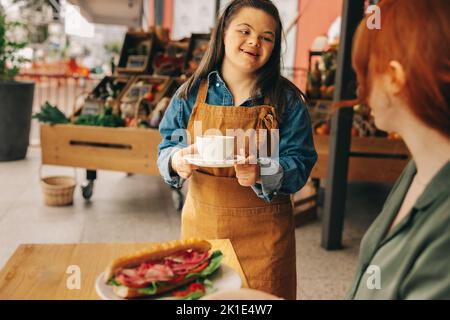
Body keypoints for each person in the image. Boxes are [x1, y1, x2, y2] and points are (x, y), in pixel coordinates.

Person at [201, 0, 450, 300]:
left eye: (364, 70)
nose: (359, 88)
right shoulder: (417, 172)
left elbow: (300, 162)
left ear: (394, 78)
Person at [157, 0, 317, 300]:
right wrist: (175, 160)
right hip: (203, 229)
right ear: (223, 33)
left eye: (267, 37)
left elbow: (301, 161)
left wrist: (262, 172)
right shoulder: (189, 93)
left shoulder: (288, 101)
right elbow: (167, 145)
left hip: (266, 236)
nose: (255, 41)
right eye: (245, 30)